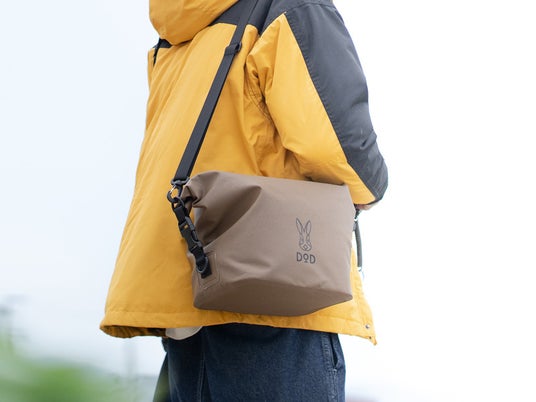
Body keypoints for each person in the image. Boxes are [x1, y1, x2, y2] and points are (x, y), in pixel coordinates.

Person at [101, 0, 388, 401]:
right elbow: (337, 148)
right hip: (272, 294)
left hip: (186, 299)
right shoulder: (291, 8)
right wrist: (372, 185)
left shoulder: (180, 25)